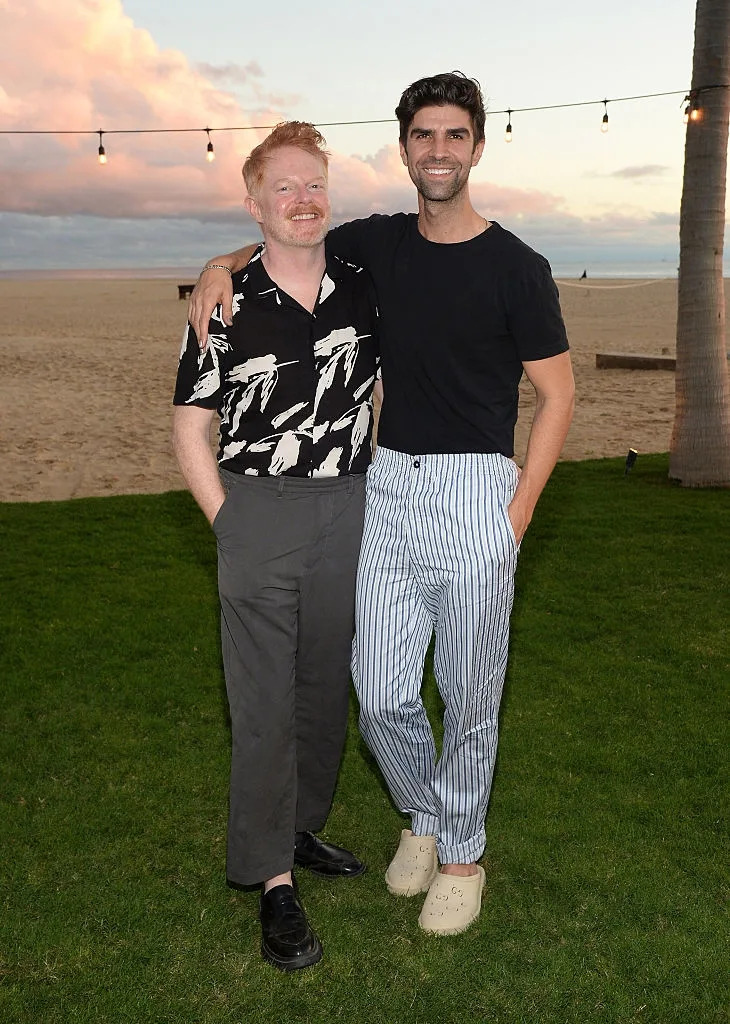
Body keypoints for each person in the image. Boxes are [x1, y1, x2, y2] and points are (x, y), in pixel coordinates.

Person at [188, 72, 575, 937]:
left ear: (477, 146)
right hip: (387, 483)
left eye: (455, 136)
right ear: (404, 149)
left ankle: (463, 853)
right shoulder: (379, 246)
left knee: (470, 694)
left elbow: (559, 398)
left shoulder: (518, 268)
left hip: (479, 488)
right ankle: (427, 815)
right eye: (424, 136)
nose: (439, 150)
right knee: (382, 691)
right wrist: (219, 263)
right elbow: (291, 240)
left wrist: (515, 518)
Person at [172, 121, 379, 971]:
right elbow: (191, 426)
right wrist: (229, 521)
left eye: (314, 183)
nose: (303, 199)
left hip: (352, 507)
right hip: (257, 508)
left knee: (327, 686)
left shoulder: (368, 286)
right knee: (261, 708)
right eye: (283, 187)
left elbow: (385, 388)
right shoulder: (223, 302)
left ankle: (301, 827)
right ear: (253, 202)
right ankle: (273, 881)